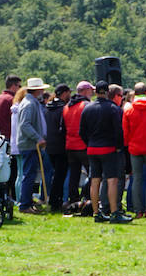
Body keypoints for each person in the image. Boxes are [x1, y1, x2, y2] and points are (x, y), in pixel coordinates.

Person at [81, 84, 130, 224]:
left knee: (95, 181)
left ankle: (97, 213)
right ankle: (114, 212)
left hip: (92, 148)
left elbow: (82, 131)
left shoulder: (87, 108)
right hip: (108, 148)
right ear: (108, 92)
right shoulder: (113, 108)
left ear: (95, 92)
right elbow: (118, 131)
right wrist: (119, 147)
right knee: (112, 180)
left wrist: (89, 143)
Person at [12, 78, 51, 214]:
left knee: (30, 174)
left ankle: (27, 202)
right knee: (29, 175)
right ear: (37, 90)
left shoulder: (31, 102)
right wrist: (38, 138)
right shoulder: (29, 104)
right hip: (29, 145)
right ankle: (24, 205)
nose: (43, 91)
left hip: (31, 144)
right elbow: (25, 124)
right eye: (42, 89)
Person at [122, 82, 146, 217]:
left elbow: (125, 133)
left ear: (134, 94)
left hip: (134, 149)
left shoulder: (128, 110)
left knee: (136, 178)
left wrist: (127, 145)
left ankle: (138, 210)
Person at [62, 81, 93, 212]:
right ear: (85, 91)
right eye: (91, 90)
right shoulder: (86, 105)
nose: (92, 93)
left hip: (70, 145)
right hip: (83, 145)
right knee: (93, 173)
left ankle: (73, 201)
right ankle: (87, 198)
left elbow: (62, 128)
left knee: (73, 175)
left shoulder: (67, 106)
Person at [44, 84, 70, 212]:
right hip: (61, 145)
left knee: (56, 174)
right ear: (64, 93)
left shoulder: (47, 108)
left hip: (49, 145)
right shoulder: (63, 109)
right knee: (61, 175)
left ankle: (53, 199)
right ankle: (56, 201)